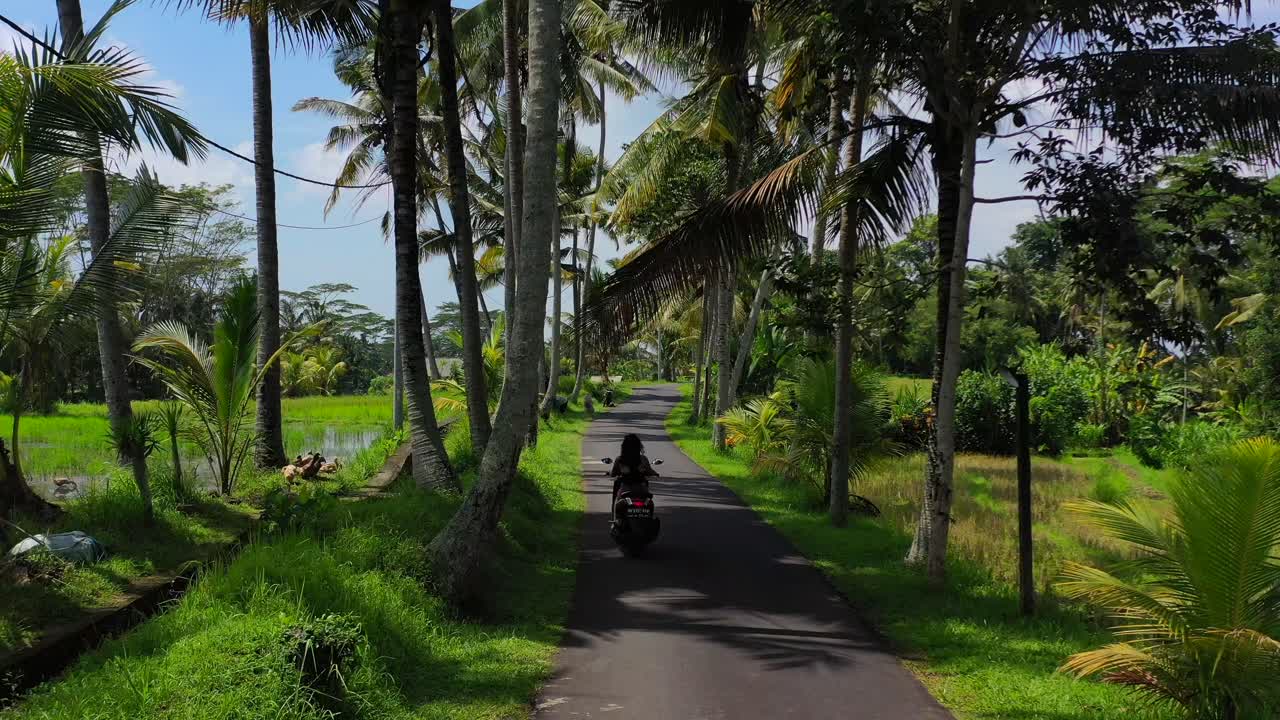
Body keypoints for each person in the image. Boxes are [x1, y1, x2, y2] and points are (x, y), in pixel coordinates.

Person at [609, 433, 657, 517]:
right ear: (638, 446)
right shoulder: (643, 459)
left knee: (617, 500)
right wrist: (655, 473)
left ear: (624, 446)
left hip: (625, 489)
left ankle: (615, 518)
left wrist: (612, 474)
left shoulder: (620, 459)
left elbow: (613, 473)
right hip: (641, 490)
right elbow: (649, 471)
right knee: (649, 502)